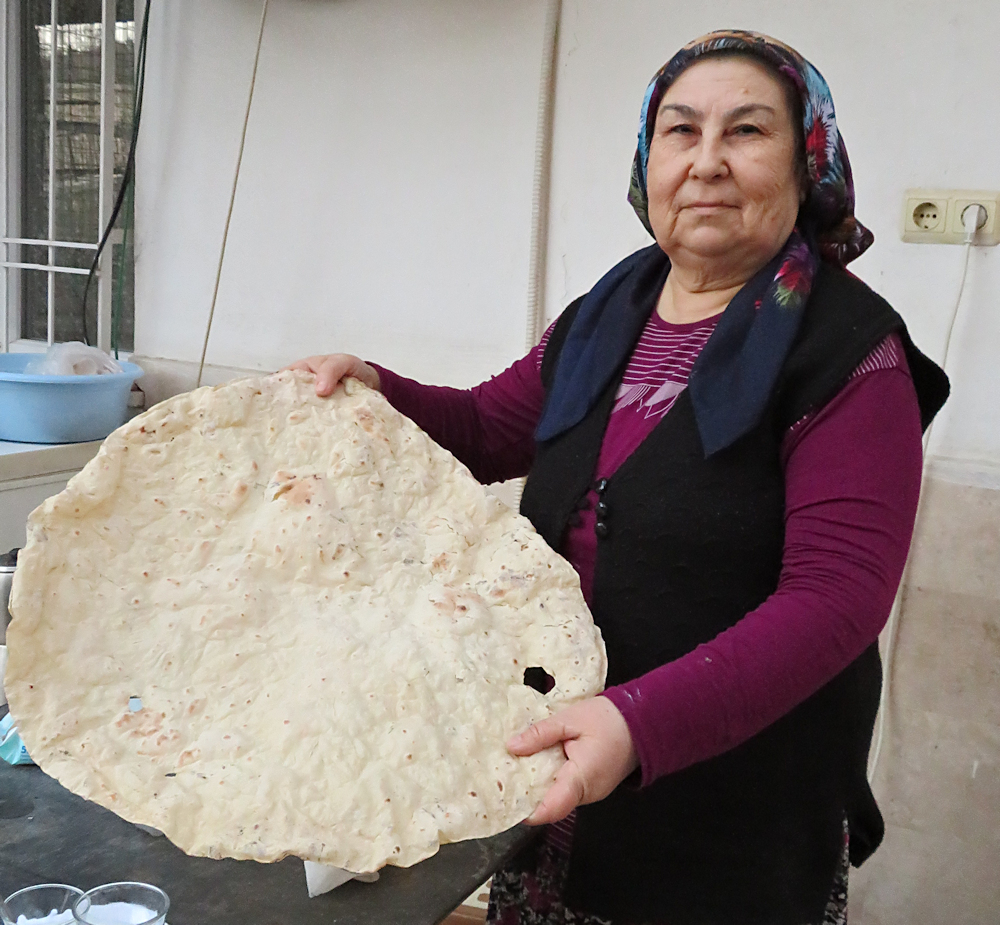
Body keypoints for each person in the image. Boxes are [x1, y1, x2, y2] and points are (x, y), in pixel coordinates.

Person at [288, 30, 948, 925]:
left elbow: (837, 600)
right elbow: (487, 427)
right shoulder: (613, 306)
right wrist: (377, 390)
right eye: (680, 132)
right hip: (561, 777)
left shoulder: (847, 351)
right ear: (649, 162)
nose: (706, 162)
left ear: (809, 167)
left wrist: (639, 722)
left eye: (746, 132)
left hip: (730, 816)